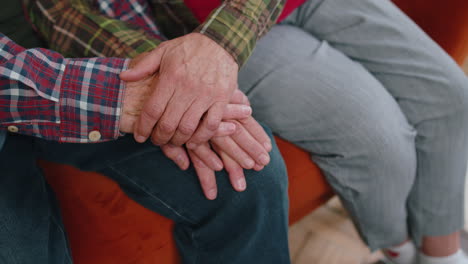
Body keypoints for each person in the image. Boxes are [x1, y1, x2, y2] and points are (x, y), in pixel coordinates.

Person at [26, 0, 468, 263]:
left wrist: (217, 47)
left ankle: (443, 250)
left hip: (237, 24)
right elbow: (64, 12)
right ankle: (400, 250)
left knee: (452, 94)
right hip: (202, 25)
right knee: (380, 139)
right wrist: (170, 78)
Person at [0, 2, 291, 263]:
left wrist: (181, 77)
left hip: (74, 64)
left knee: (250, 173)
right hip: (26, 87)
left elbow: (69, 12)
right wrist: (115, 97)